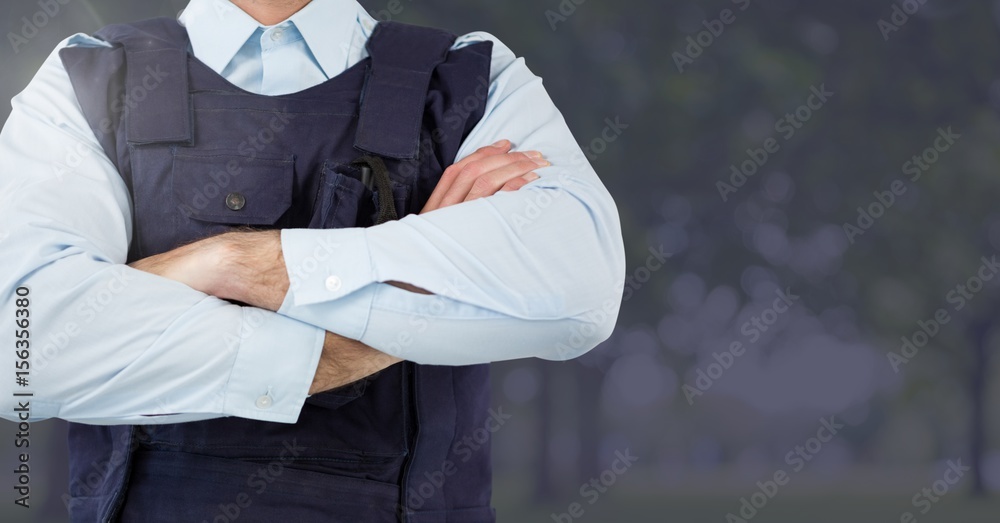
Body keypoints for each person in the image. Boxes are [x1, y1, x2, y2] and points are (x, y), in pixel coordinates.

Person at [0, 0, 626, 520]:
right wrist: (426, 288)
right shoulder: (85, 80)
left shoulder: (470, 78)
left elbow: (581, 290)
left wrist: (238, 261)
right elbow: (20, 356)